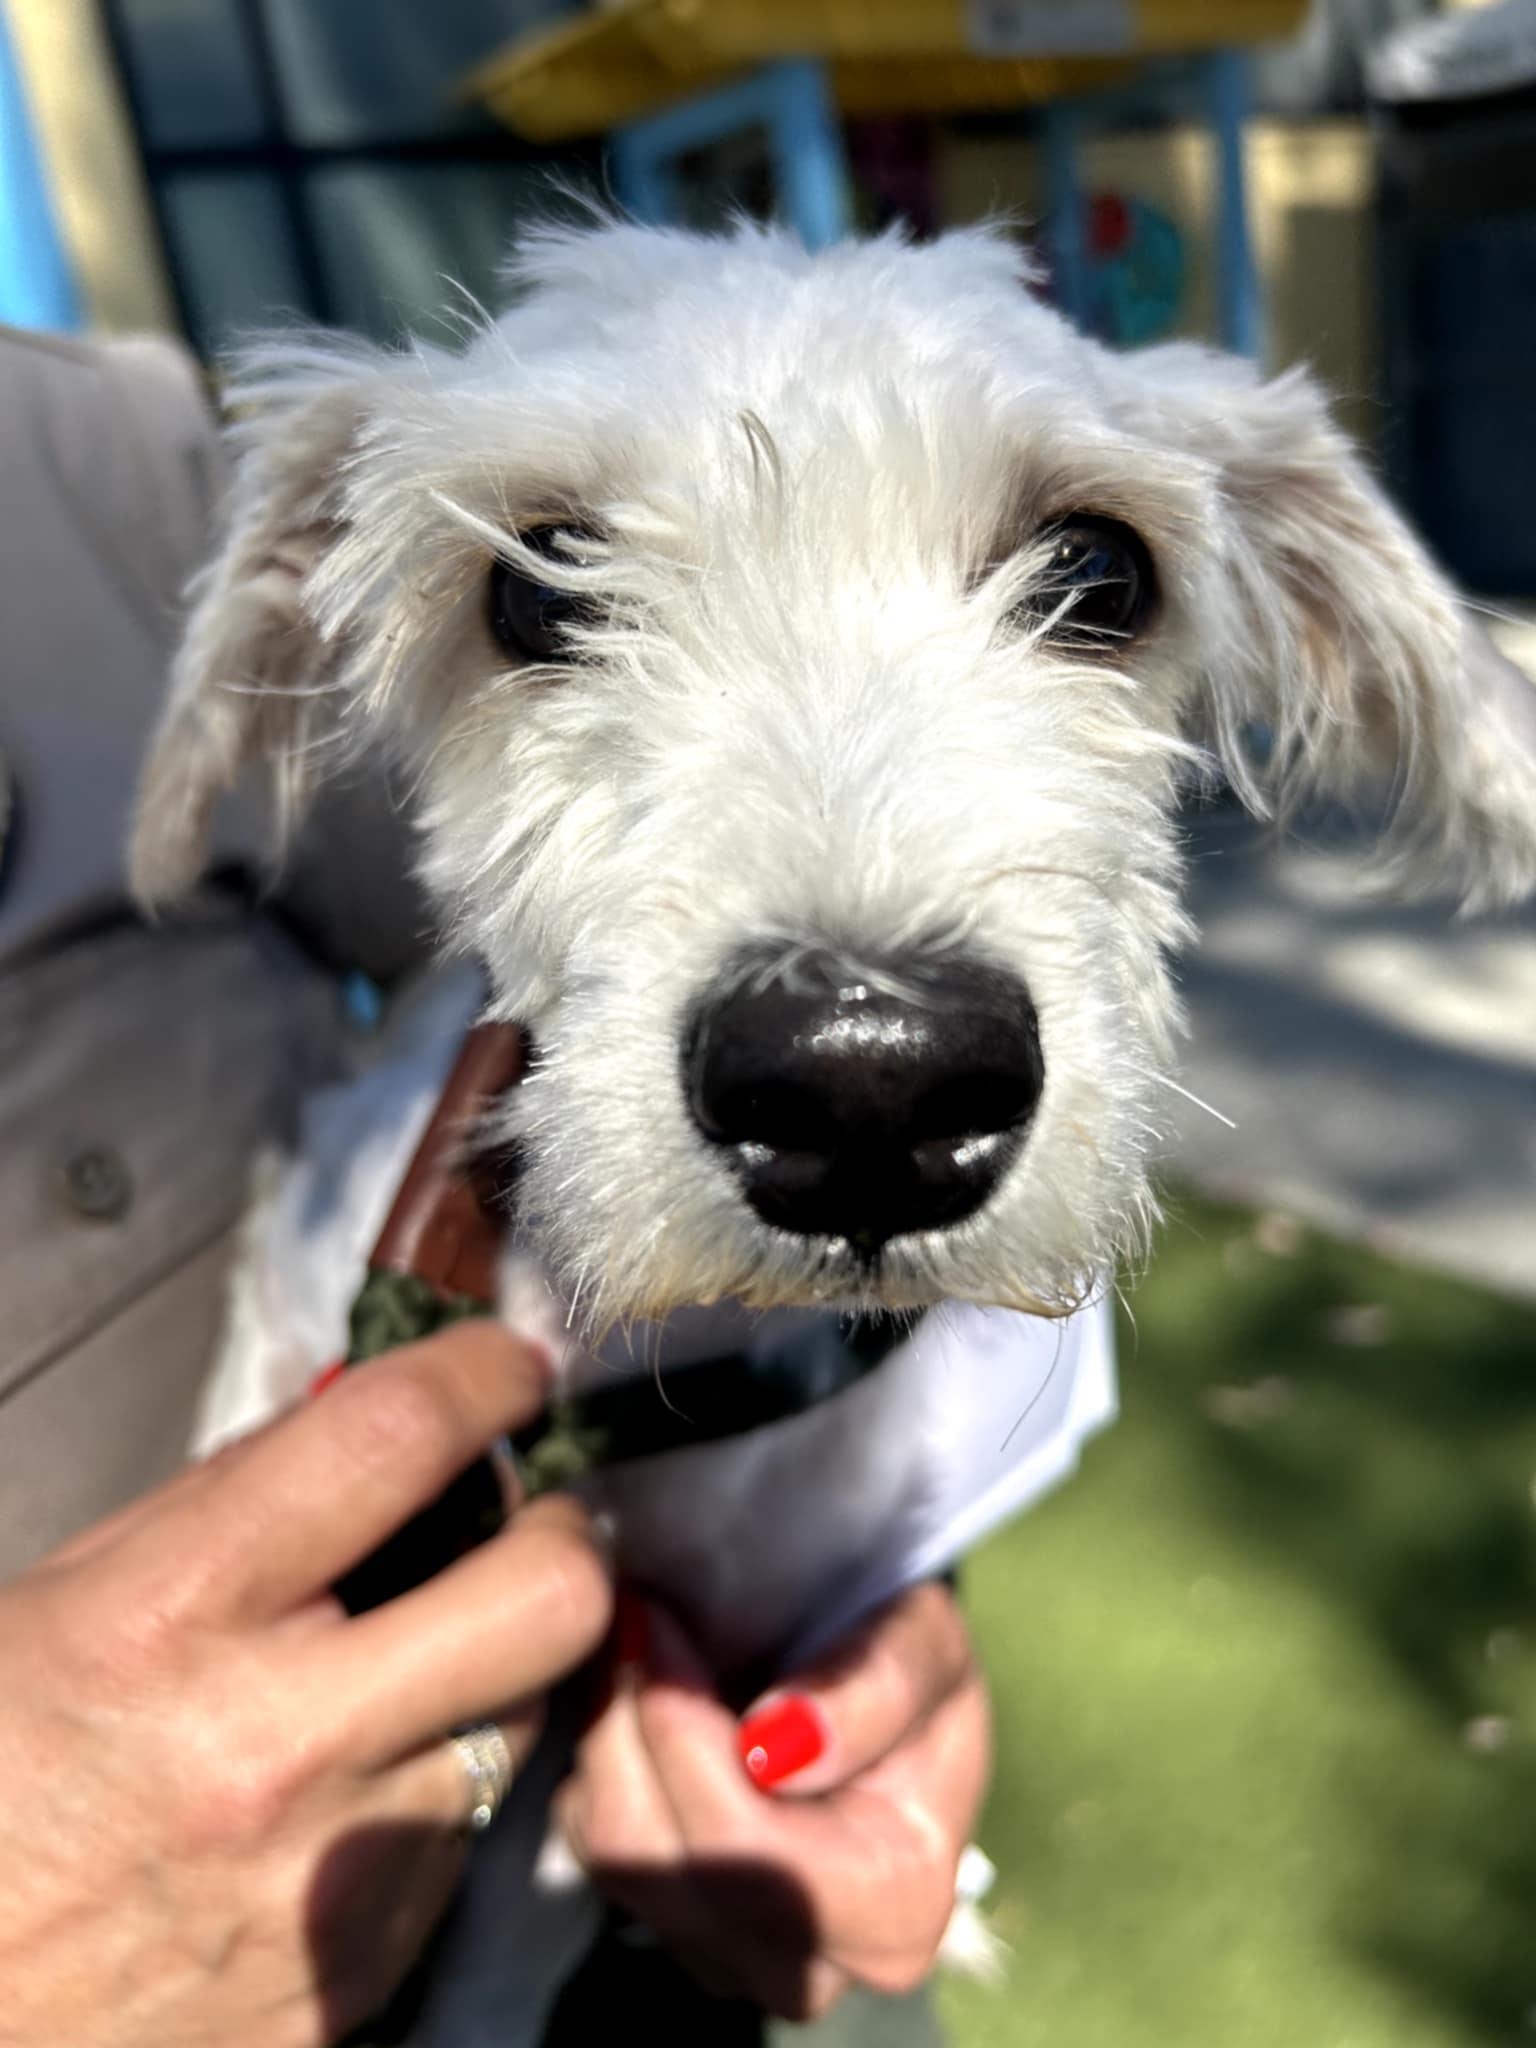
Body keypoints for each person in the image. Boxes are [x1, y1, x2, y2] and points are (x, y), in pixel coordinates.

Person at [0, 322, 988, 2043]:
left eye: (1079, 587)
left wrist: (843, 1580)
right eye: (550, 590)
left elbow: (580, 957)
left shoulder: (84, 463)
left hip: (635, 1805)